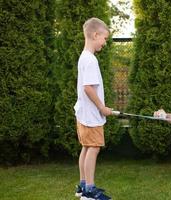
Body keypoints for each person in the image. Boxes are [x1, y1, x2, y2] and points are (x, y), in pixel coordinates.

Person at [74, 17, 112, 200]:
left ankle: (82, 186)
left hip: (83, 113)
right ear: (95, 35)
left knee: (86, 147)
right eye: (104, 38)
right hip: (91, 114)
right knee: (94, 148)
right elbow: (88, 88)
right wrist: (102, 108)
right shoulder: (90, 60)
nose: (105, 43)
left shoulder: (84, 57)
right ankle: (89, 191)